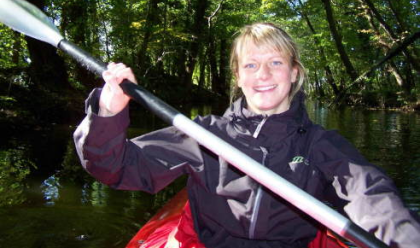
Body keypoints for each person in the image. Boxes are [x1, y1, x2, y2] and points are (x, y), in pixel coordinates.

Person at [74, 23, 420, 248]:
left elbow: (373, 197)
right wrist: (108, 112)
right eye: (251, 65)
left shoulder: (320, 144)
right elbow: (115, 167)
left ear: (294, 72)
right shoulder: (203, 134)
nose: (263, 74)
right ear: (238, 76)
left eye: (276, 62)